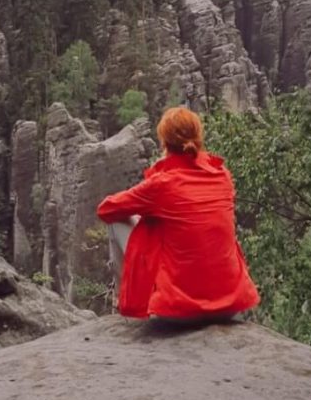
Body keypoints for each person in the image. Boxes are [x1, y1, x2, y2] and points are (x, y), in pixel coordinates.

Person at [96, 106, 259, 322]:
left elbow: (106, 210)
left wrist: (148, 209)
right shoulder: (222, 175)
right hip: (230, 307)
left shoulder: (163, 183)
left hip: (180, 311)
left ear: (164, 142)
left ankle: (128, 312)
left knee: (118, 221)